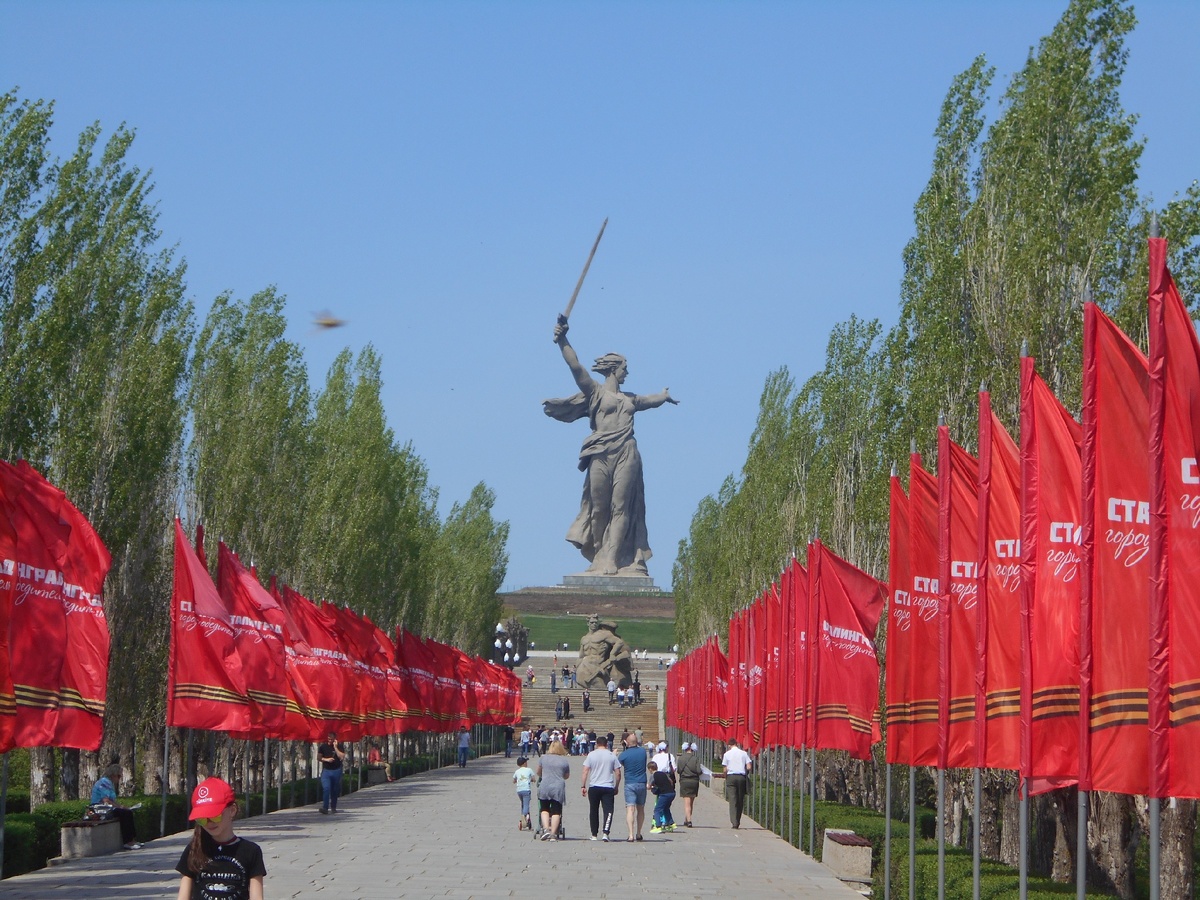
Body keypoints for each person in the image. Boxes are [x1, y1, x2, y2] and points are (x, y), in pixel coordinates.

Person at [544, 316, 677, 576]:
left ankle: (612, 559)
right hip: (600, 453)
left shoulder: (631, 399)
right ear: (614, 369)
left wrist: (664, 395)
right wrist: (563, 340)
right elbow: (575, 366)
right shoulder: (595, 392)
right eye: (625, 368)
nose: (627, 373)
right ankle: (598, 557)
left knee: (621, 506)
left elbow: (651, 400)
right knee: (598, 508)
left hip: (626, 452)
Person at [176, 778, 265, 900]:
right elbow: (183, 895)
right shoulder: (194, 849)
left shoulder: (251, 851)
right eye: (202, 819)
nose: (209, 823)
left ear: (232, 810)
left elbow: (257, 897)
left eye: (215, 816)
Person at [576, 614, 634, 691]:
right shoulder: (584, 638)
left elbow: (619, 642)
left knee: (600, 688)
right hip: (583, 668)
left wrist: (612, 654)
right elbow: (581, 656)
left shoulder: (603, 634)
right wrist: (576, 667)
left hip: (598, 666)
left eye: (595, 622)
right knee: (582, 689)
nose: (594, 624)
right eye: (592, 622)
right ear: (588, 623)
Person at [91, 763, 141, 850]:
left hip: (106, 808)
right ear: (113, 775)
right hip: (100, 810)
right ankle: (128, 841)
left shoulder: (109, 783)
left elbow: (111, 801)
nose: (119, 779)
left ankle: (132, 839)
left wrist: (122, 806)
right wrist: (121, 807)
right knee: (125, 814)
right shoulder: (104, 782)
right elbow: (106, 800)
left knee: (128, 812)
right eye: (119, 776)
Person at [581, 736, 621, 842]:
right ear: (606, 744)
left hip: (594, 786)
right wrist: (616, 786)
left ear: (596, 744)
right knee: (608, 810)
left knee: (593, 810)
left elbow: (585, 771)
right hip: (608, 786)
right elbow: (618, 772)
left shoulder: (591, 755)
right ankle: (605, 832)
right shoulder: (611, 755)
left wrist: (583, 785)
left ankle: (594, 834)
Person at [536, 739, 571, 841]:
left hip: (545, 785)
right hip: (558, 787)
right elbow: (567, 776)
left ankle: (546, 829)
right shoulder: (564, 760)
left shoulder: (543, 758)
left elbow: (538, 772)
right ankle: (553, 834)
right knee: (556, 811)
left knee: (544, 809)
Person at [617, 734, 649, 842]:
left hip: (630, 783)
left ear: (627, 742)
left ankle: (630, 835)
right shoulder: (643, 752)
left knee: (630, 809)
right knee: (641, 809)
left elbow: (618, 764)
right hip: (642, 782)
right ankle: (639, 833)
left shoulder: (623, 755)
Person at [721, 738, 753, 828]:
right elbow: (749, 766)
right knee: (740, 799)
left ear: (729, 745)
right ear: (737, 744)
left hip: (731, 777)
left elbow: (725, 769)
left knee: (732, 799)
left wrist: (725, 776)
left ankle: (734, 822)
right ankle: (738, 819)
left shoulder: (727, 754)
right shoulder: (743, 753)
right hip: (741, 777)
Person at [317, 732, 345, 814]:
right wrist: (326, 759)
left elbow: (341, 757)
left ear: (335, 739)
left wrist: (335, 748)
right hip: (326, 771)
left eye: (331, 739)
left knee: (334, 790)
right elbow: (319, 757)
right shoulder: (323, 747)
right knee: (326, 788)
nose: (330, 740)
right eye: (328, 738)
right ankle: (325, 808)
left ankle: (333, 807)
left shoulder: (339, 746)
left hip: (336, 771)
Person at [677, 742, 703, 827]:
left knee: (687, 802)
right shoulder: (695, 758)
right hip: (694, 781)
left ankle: (689, 821)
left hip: (684, 781)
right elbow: (699, 771)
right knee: (691, 802)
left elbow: (678, 771)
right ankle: (687, 818)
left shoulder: (680, 758)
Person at [648, 760, 677, 833]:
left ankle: (658, 826)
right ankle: (671, 824)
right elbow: (670, 781)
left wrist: (649, 787)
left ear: (650, 769)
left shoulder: (653, 775)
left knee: (657, 810)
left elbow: (649, 786)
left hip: (664, 794)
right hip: (672, 793)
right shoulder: (663, 773)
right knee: (666, 808)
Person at [513, 756, 536, 831]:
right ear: (524, 763)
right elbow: (533, 779)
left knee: (523, 805)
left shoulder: (517, 771)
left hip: (519, 790)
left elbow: (514, 780)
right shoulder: (529, 770)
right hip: (526, 789)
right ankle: (522, 819)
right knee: (526, 805)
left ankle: (527, 821)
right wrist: (532, 780)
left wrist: (518, 781)